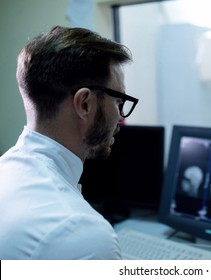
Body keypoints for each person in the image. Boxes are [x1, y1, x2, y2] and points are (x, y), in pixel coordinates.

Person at [0, 26, 138, 259]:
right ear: (85, 104)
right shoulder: (83, 234)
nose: (121, 117)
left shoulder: (6, 170)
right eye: (118, 101)